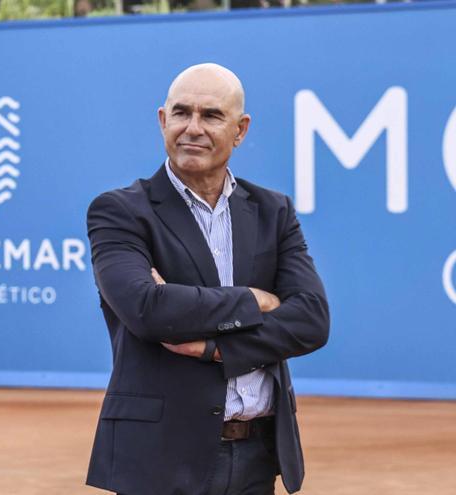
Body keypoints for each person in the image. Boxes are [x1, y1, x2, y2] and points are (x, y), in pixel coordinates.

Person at [84, 63, 330, 495]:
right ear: (163, 120)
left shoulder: (274, 211)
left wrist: (216, 349)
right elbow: (148, 311)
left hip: (257, 458)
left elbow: (311, 320)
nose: (192, 128)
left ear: (240, 130)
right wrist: (256, 300)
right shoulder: (120, 211)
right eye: (181, 113)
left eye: (211, 116)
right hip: (160, 461)